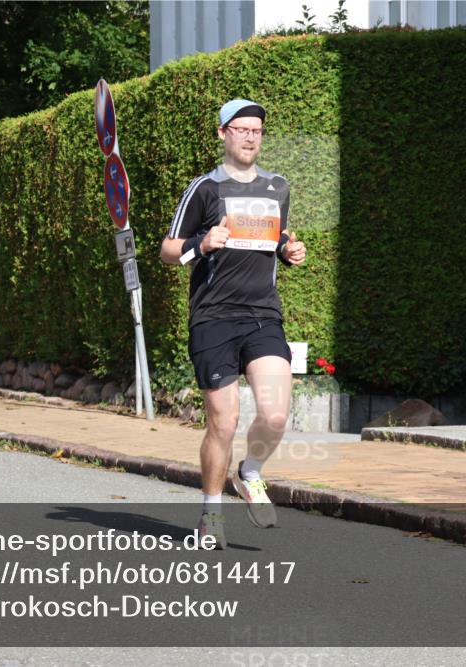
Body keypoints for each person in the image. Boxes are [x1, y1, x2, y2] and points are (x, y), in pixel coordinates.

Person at [160, 99, 307, 548]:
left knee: (276, 412)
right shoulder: (204, 188)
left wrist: (289, 250)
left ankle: (250, 473)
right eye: (241, 129)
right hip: (213, 317)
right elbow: (168, 250)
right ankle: (211, 515)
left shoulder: (277, 187)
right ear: (222, 133)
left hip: (263, 313)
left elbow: (275, 237)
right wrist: (203, 242)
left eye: (256, 130)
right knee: (223, 422)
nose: (249, 137)